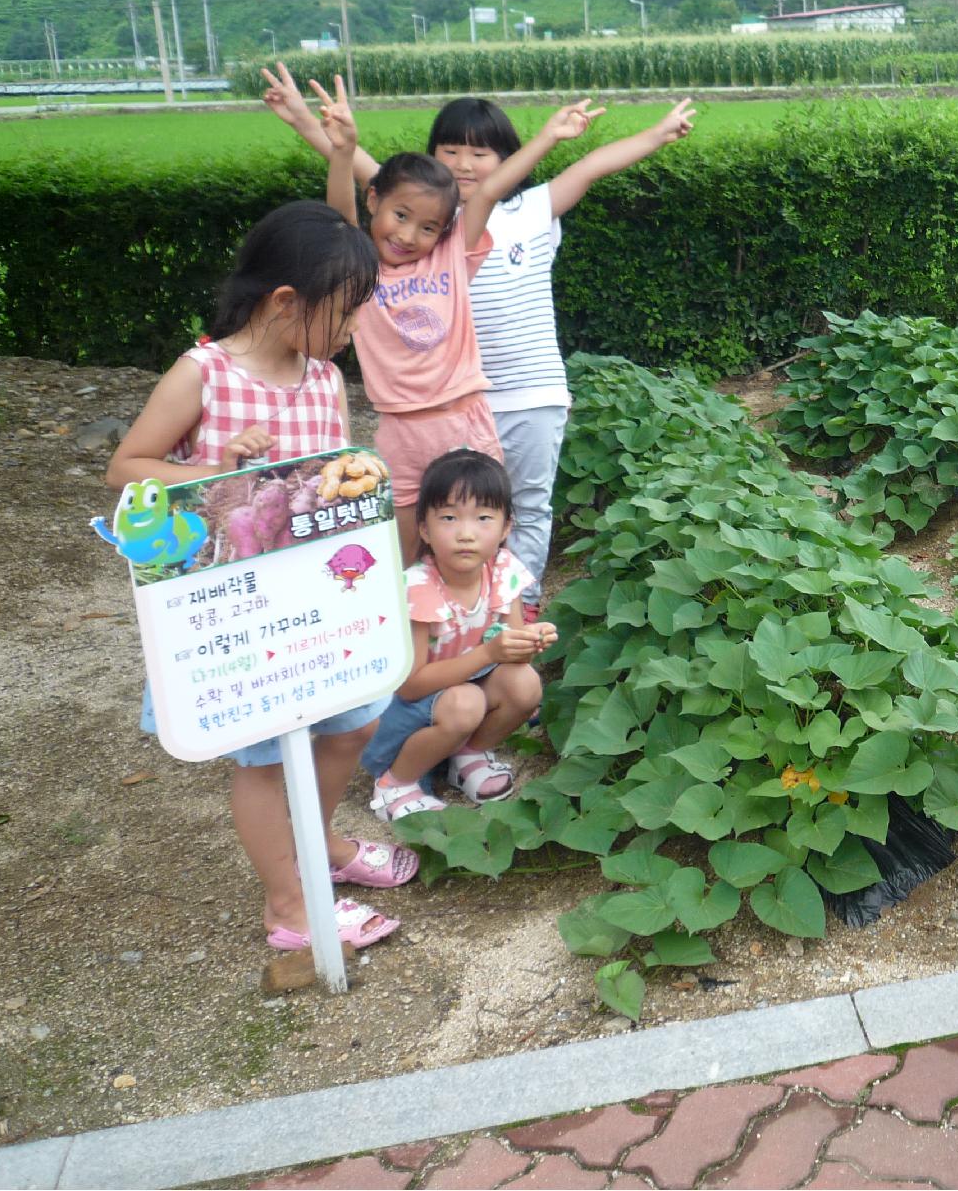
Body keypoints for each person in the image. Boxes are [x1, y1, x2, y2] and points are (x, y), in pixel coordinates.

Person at [261, 66, 696, 603]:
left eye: (480, 152)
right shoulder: (375, 259)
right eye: (451, 151)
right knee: (409, 542)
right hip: (408, 423)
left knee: (497, 520)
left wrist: (560, 137)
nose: (464, 163)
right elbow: (356, 193)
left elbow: (534, 180)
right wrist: (318, 129)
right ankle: (412, 634)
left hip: (489, 406)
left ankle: (508, 616)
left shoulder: (455, 244)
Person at [105, 201, 416, 951]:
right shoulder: (203, 374)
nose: (349, 334)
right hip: (235, 601)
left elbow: (324, 479)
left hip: (312, 598)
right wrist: (219, 469)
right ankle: (290, 904)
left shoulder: (323, 379)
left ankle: (321, 845)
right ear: (285, 304)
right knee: (266, 756)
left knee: (357, 720)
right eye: (343, 316)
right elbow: (126, 468)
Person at [309, 75, 598, 564]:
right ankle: (417, 631)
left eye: (427, 227)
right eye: (400, 217)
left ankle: (491, 625)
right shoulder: (362, 272)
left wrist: (548, 137)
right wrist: (343, 151)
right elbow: (342, 216)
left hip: (466, 420)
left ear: (444, 231)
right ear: (375, 201)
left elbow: (488, 193)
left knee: (479, 539)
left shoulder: (450, 259)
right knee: (407, 550)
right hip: (399, 429)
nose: (408, 235)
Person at [360, 449, 555, 819]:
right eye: (449, 517)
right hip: (406, 715)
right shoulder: (418, 588)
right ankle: (396, 783)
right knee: (466, 702)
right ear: (424, 529)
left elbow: (512, 654)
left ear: (506, 527)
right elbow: (411, 685)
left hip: (461, 698)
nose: (466, 533)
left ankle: (466, 754)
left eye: (483, 517)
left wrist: (529, 640)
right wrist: (487, 655)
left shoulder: (502, 570)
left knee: (525, 683)